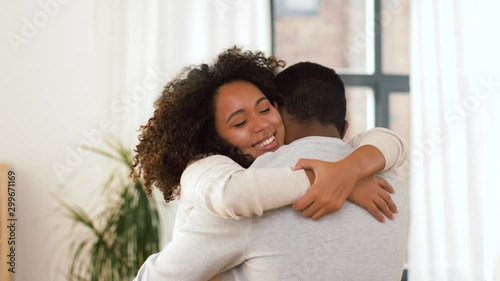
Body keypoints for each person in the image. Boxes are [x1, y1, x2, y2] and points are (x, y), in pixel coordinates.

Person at [132, 48, 407, 280]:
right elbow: (235, 194)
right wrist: (336, 178)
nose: (262, 124)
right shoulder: (389, 179)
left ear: (280, 110)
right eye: (239, 122)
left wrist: (347, 172)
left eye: (265, 109)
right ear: (211, 138)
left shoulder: (255, 197)